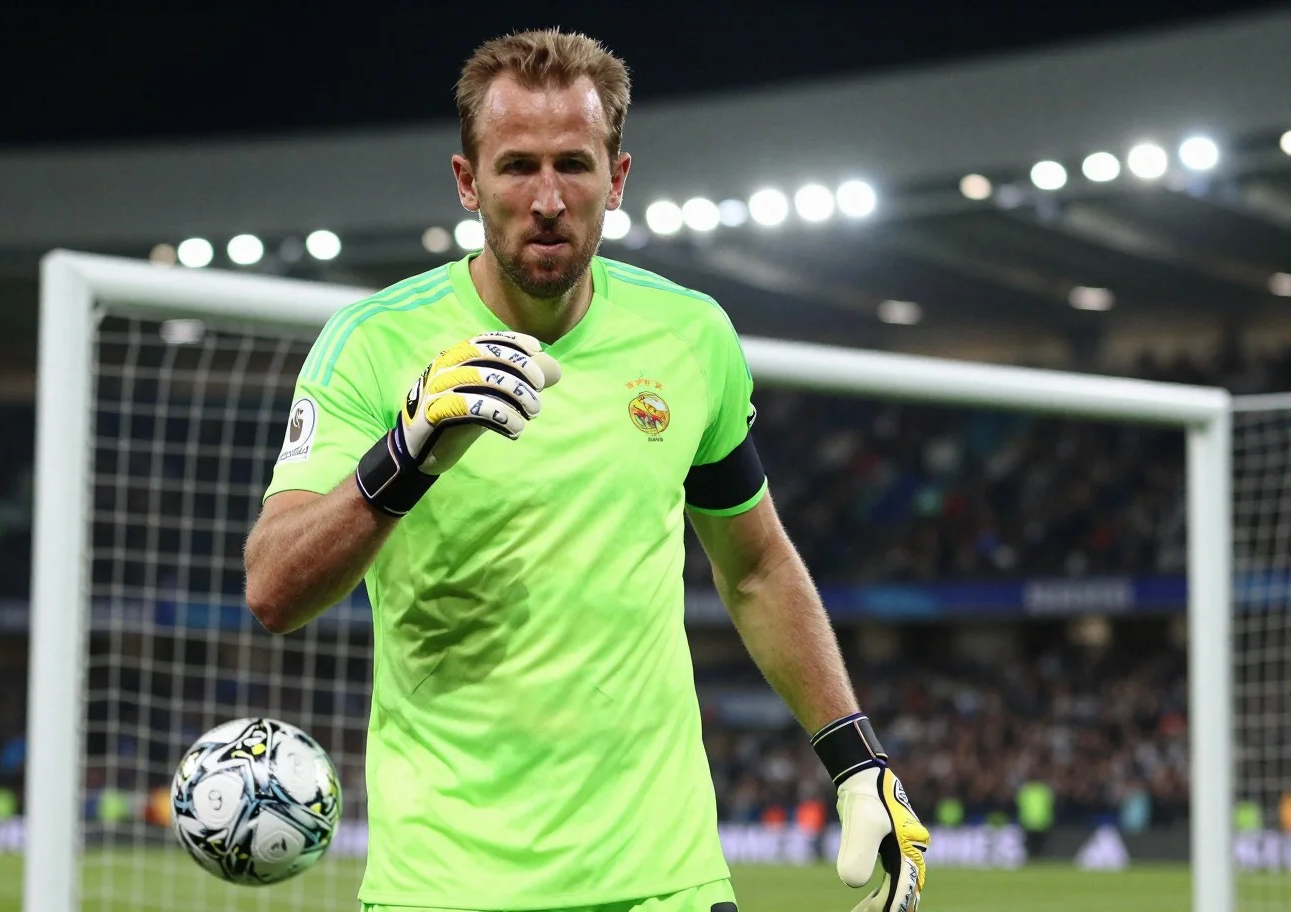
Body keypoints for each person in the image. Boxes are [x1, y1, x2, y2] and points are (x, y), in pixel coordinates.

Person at [244, 27, 928, 912]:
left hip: (664, 877)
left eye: (573, 164)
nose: (547, 199)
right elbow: (273, 588)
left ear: (618, 177)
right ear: (466, 182)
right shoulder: (372, 345)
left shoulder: (690, 337)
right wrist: (405, 456)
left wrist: (856, 758)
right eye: (516, 166)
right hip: (446, 885)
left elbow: (755, 566)